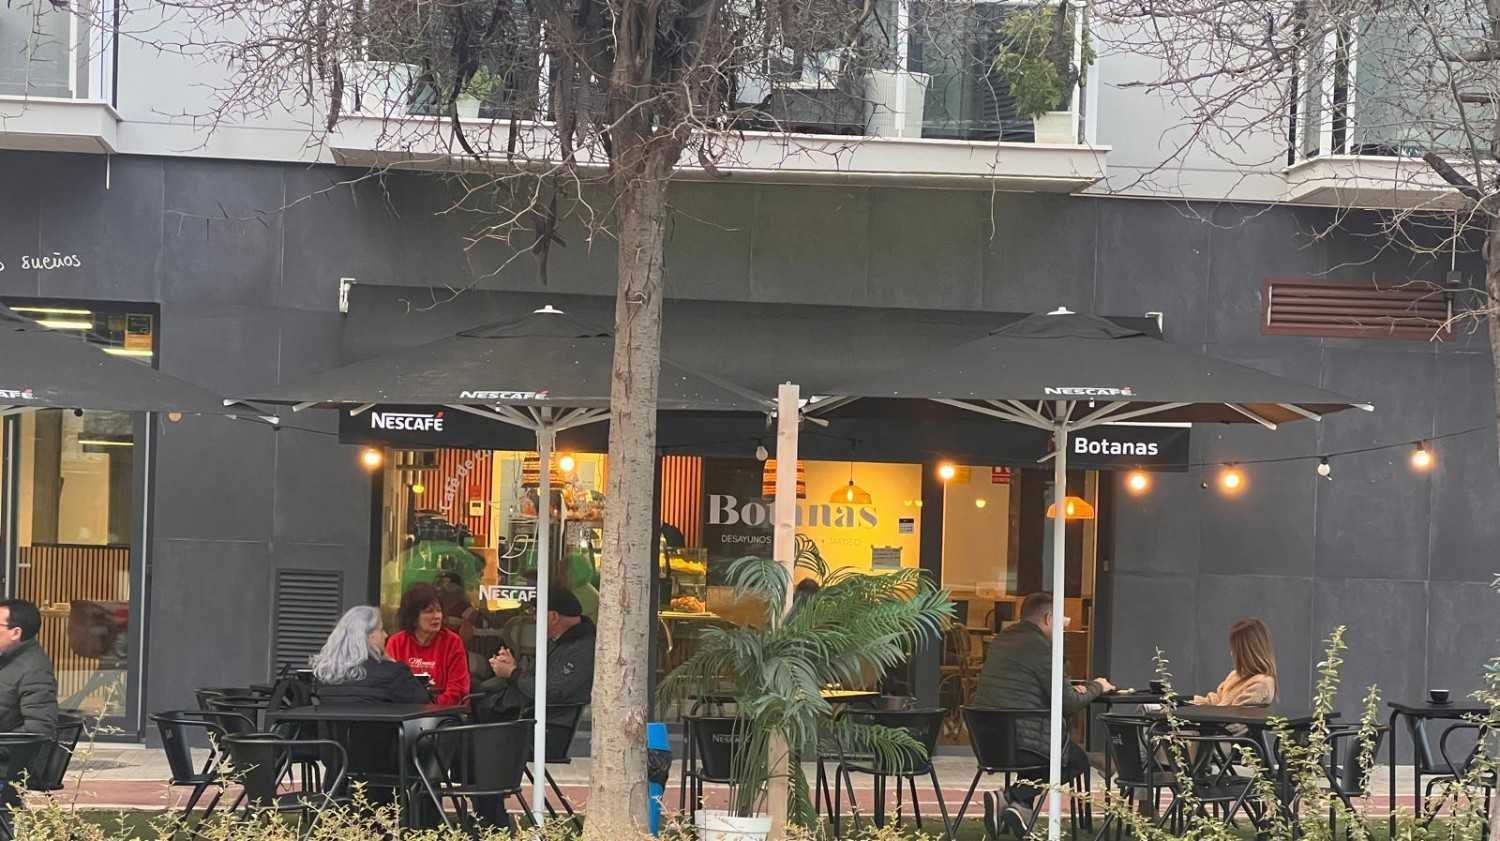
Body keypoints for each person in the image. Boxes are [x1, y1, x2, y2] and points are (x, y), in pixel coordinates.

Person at [973, 592, 1114, 838]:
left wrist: (1069, 688)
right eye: (1062, 620)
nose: (1063, 626)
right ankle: (1012, 798)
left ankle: (1016, 807)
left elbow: (1026, 685)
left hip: (988, 741)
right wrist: (1097, 686)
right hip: (1021, 741)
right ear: (1049, 618)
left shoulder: (1002, 640)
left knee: (1063, 754)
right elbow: (1068, 704)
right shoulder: (1042, 647)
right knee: (1074, 760)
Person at [478, 589, 596, 716]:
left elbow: (550, 692)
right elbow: (533, 679)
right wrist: (512, 667)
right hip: (523, 712)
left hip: (545, 721)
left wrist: (513, 673)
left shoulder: (582, 648)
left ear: (553, 617)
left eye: (537, 612)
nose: (534, 618)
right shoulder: (556, 641)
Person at [311, 606, 430, 704]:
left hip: (335, 734)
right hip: (382, 733)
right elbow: (424, 706)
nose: (386, 635)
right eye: (381, 629)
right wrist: (391, 664)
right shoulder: (394, 673)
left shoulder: (325, 676)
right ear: (370, 636)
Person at [0, 599, 58, 794]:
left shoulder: (34, 669)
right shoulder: (8, 660)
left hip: (7, 768)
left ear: (16, 632)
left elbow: (39, 728)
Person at [386, 584, 471, 706]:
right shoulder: (396, 642)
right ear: (413, 617)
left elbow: (458, 689)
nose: (437, 616)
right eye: (429, 611)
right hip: (404, 712)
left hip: (443, 713)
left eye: (439, 610)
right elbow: (389, 685)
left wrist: (430, 707)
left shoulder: (453, 642)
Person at [1193, 618, 1277, 707]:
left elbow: (1235, 714)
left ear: (1247, 652)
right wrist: (1187, 701)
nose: (1231, 653)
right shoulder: (1235, 675)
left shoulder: (1261, 684)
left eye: (1235, 649)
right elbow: (1217, 700)